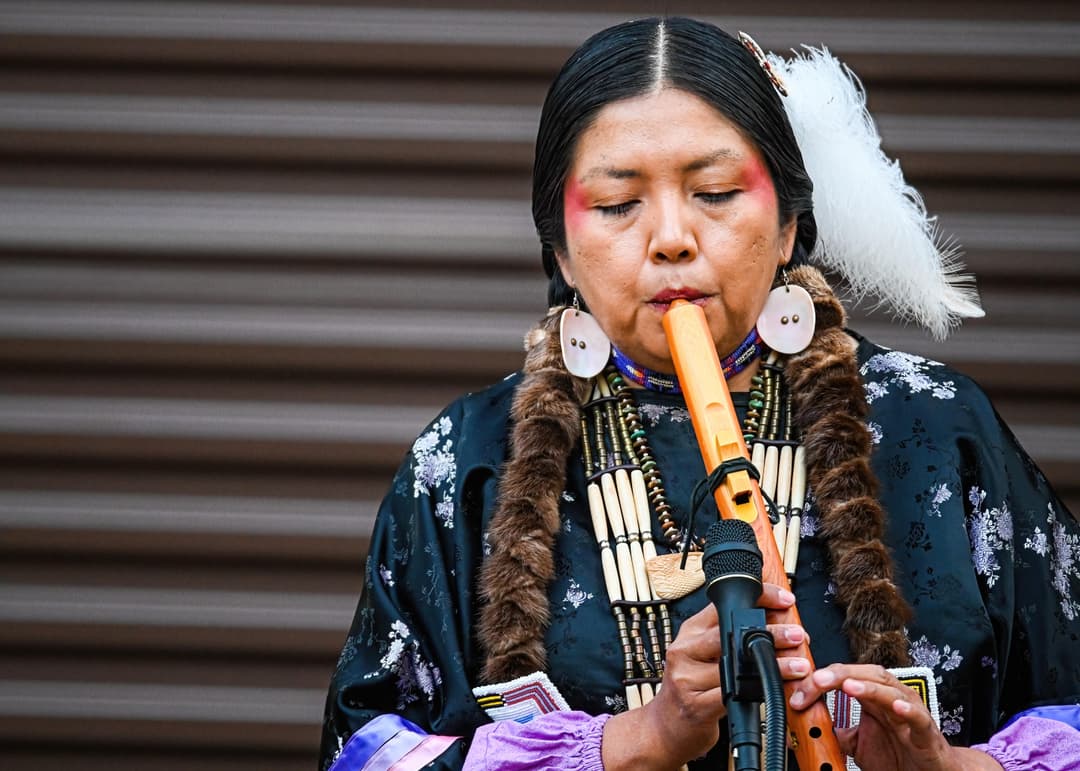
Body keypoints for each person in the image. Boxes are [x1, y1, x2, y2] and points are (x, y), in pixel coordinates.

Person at [320, 16, 1080, 771]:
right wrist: (635, 741)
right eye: (618, 204)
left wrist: (946, 767)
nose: (672, 237)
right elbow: (364, 753)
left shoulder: (936, 427)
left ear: (787, 225)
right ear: (560, 248)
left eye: (715, 191)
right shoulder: (466, 460)